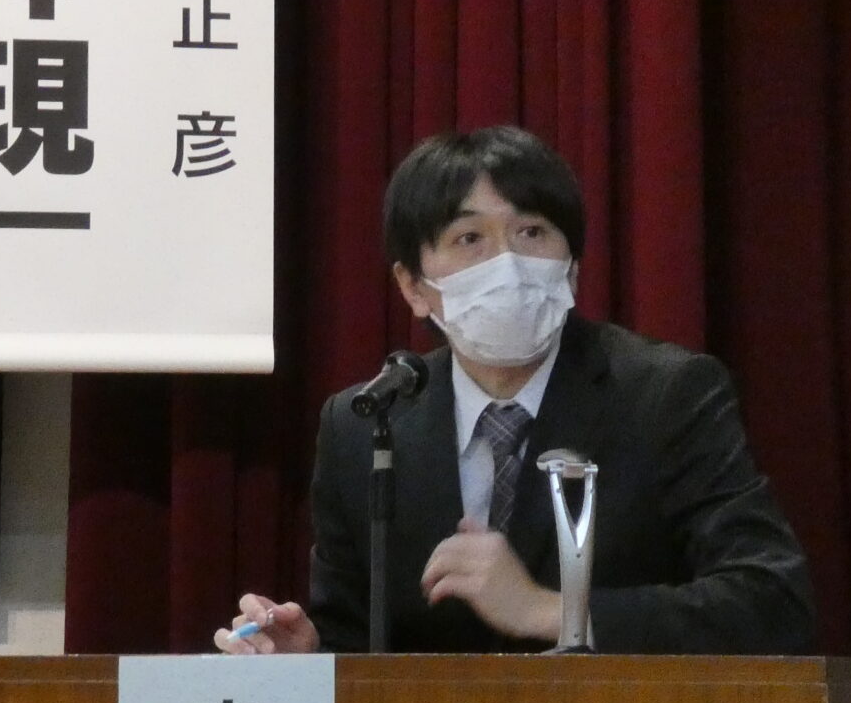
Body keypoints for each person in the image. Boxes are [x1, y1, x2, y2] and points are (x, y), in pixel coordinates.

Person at [216, 126, 815, 654]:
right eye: (469, 239)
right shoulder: (367, 423)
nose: (507, 263)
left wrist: (553, 612)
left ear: (572, 269)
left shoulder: (665, 395)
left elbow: (773, 602)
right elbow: (357, 643)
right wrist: (306, 660)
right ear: (413, 287)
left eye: (532, 232)